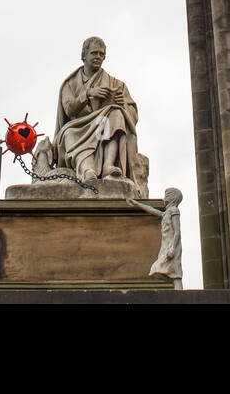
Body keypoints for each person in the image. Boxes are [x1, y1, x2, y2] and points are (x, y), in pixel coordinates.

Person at [53, 36, 140, 185]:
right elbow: (68, 110)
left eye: (101, 54)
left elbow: (133, 113)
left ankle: (108, 165)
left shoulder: (116, 83)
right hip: (78, 127)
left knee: (117, 113)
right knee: (68, 134)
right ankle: (87, 170)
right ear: (84, 56)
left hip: (104, 126)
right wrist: (87, 94)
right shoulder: (70, 83)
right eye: (94, 53)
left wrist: (122, 105)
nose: (98, 57)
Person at [128, 188, 183, 289]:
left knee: (174, 272)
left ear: (173, 198)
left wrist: (172, 248)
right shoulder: (166, 213)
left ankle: (180, 295)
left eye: (167, 196)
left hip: (172, 246)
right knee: (164, 270)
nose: (164, 199)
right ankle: (173, 291)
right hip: (165, 246)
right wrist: (136, 204)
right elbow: (152, 210)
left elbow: (177, 232)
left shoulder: (174, 210)